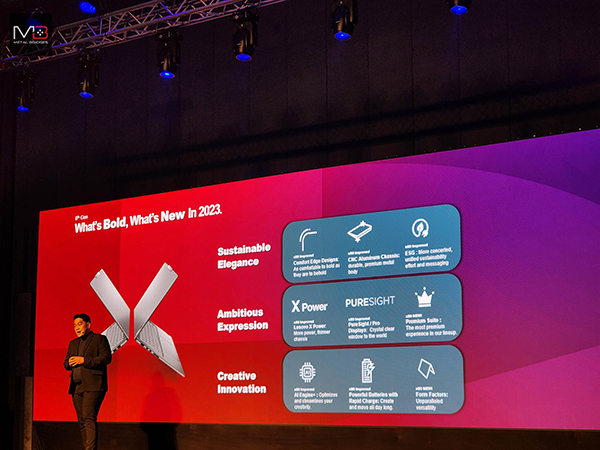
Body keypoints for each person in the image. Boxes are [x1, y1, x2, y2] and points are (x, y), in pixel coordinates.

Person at [64, 313, 112, 450]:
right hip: (76, 387)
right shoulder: (73, 343)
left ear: (88, 324)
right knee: (81, 421)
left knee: (88, 417)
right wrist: (69, 363)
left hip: (93, 385)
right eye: (74, 325)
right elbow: (66, 363)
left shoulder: (99, 339)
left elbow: (106, 358)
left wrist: (84, 360)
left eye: (80, 324)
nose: (77, 328)